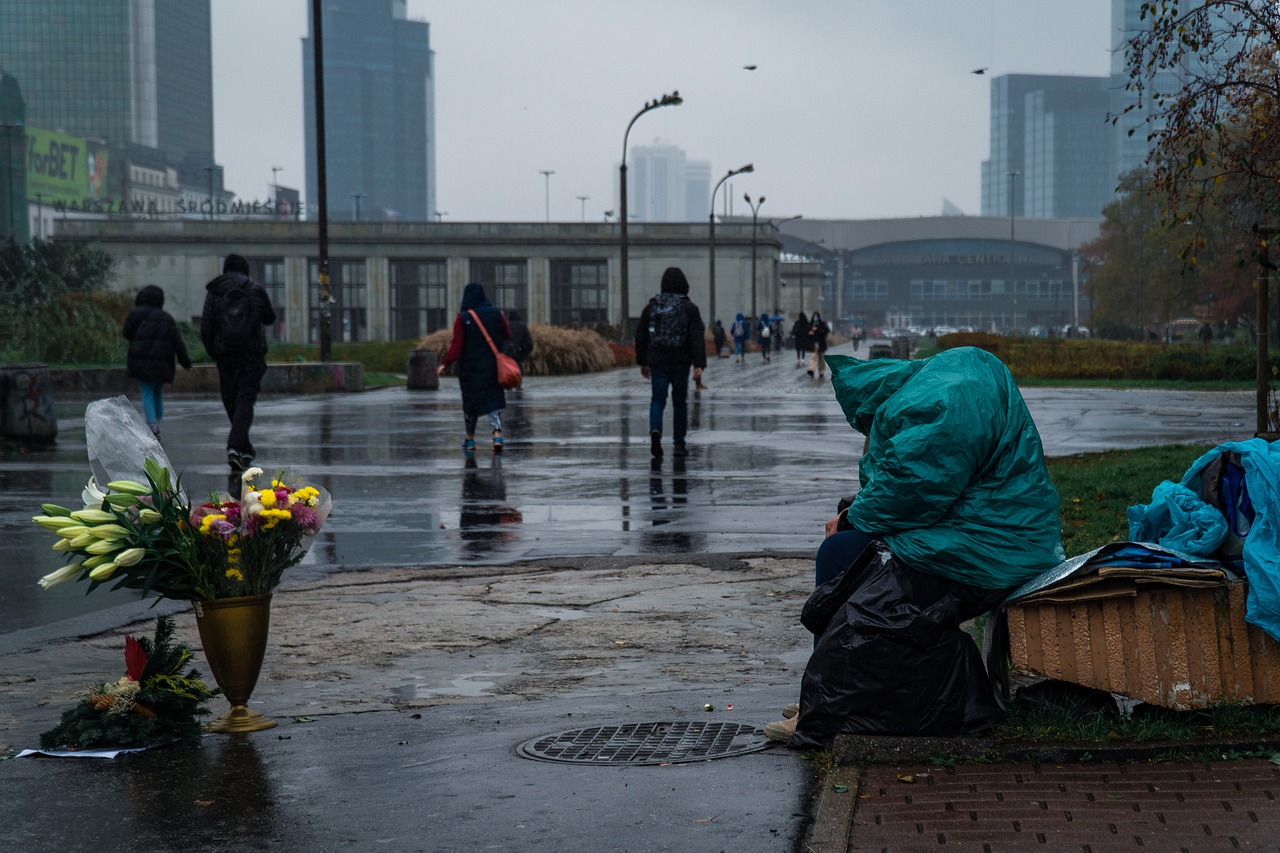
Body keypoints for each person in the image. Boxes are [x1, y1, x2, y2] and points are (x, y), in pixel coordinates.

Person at [764, 346, 1063, 746]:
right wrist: (857, 510)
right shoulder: (944, 382)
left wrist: (852, 517)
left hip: (994, 548)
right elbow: (926, 478)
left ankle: (822, 705)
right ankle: (819, 693)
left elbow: (914, 484)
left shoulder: (939, 399)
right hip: (1000, 532)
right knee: (848, 548)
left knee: (842, 553)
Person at [200, 253, 277, 470]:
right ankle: (237, 446)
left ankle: (242, 448)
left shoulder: (214, 292)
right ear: (245, 270)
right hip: (252, 355)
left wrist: (215, 352)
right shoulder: (254, 289)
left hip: (225, 356)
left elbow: (206, 327)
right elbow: (270, 317)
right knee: (245, 400)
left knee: (231, 400)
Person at [635, 267, 706, 458]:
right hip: (681, 361)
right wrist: (699, 364)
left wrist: (643, 361)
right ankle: (679, 444)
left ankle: (656, 431)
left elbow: (641, 335)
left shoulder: (652, 307)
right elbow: (697, 337)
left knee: (657, 400)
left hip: (658, 360)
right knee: (679, 402)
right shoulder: (690, 308)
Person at [438, 282, 511, 454]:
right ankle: (497, 436)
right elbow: (507, 334)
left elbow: (456, 345)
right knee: (494, 402)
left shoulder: (463, 318)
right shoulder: (496, 314)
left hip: (470, 370)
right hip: (492, 368)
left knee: (471, 404)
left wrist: (445, 364)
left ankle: (470, 440)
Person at [122, 284, 192, 440]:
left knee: (146, 393)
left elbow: (126, 333)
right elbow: (177, 341)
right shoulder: (166, 317)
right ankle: (157, 420)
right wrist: (185, 361)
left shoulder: (136, 314)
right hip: (162, 362)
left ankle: (152, 425)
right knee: (157, 392)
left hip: (141, 360)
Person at [504, 309, 535, 387]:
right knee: (518, 377)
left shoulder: (506, 325)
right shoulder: (523, 326)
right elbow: (529, 344)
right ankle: (518, 389)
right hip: (517, 356)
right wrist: (522, 354)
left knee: (506, 376)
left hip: (506, 356)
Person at [807, 312, 829, 379]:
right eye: (814, 316)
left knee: (821, 359)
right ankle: (811, 370)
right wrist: (810, 333)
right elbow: (806, 334)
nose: (815, 318)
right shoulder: (810, 325)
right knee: (812, 358)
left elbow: (825, 332)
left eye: (816, 316)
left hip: (821, 344)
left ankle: (821, 372)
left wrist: (818, 330)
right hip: (813, 344)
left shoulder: (822, 324)